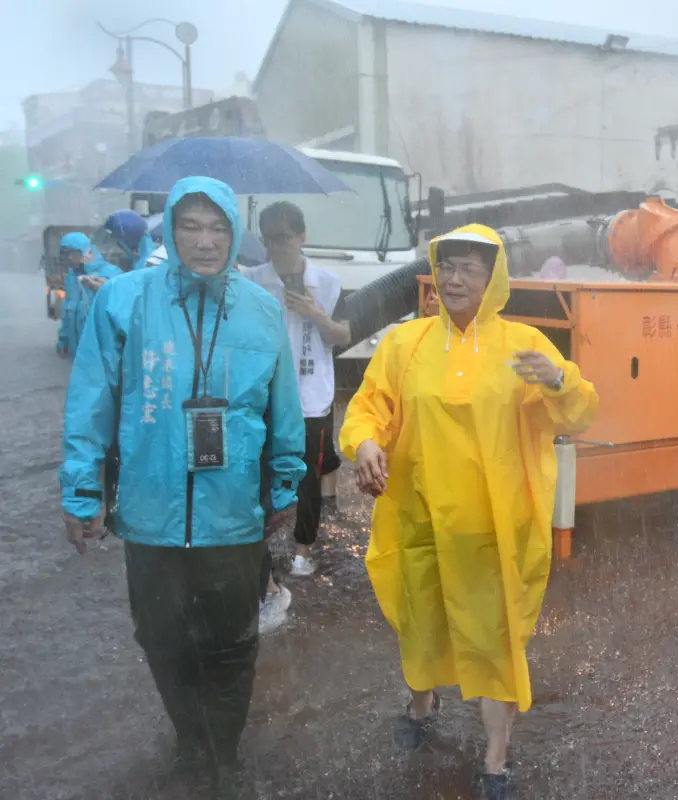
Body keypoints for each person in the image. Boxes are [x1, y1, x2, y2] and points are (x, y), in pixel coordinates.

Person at [59, 176, 307, 799]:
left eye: (218, 227)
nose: (205, 241)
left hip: (231, 514)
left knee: (231, 642)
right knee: (162, 638)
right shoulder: (123, 301)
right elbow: (91, 404)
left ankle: (224, 754)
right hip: (151, 512)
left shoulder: (260, 308)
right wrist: (82, 493)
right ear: (170, 229)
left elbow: (283, 408)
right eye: (191, 227)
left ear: (233, 232)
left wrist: (285, 484)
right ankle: (190, 738)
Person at [339, 224, 598, 799]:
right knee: (423, 622)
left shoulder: (520, 345)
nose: (455, 279)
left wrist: (558, 381)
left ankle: (496, 760)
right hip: (421, 520)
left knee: (494, 641)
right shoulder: (405, 345)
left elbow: (578, 414)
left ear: (494, 279)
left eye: (470, 270)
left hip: (492, 531)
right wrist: (365, 444)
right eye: (447, 266)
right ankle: (420, 706)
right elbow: (368, 408)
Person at [242, 202, 350, 632]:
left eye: (284, 236)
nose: (277, 246)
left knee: (306, 478)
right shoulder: (252, 281)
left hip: (310, 397)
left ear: (302, 236)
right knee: (258, 477)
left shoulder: (327, 282)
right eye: (268, 238)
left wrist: (315, 313)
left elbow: (343, 335)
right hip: (264, 396)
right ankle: (261, 556)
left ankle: (303, 550)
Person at [55, 233, 123, 360]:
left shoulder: (112, 274)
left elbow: (122, 309)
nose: (68, 259)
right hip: (79, 352)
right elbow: (68, 311)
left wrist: (100, 287)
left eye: (72, 254)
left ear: (87, 252)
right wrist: (63, 339)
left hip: (104, 352)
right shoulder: (72, 277)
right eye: (64, 254)